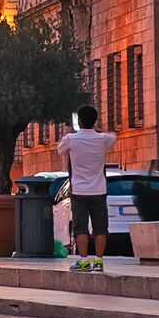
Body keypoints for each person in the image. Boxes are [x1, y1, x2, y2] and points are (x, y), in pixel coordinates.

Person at [56, 104, 118, 272]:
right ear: (94, 121)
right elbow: (113, 137)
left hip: (79, 190)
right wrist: (96, 129)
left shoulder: (71, 140)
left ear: (79, 121)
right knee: (101, 227)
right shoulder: (103, 139)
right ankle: (99, 261)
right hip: (99, 189)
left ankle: (83, 260)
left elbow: (60, 149)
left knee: (80, 227)